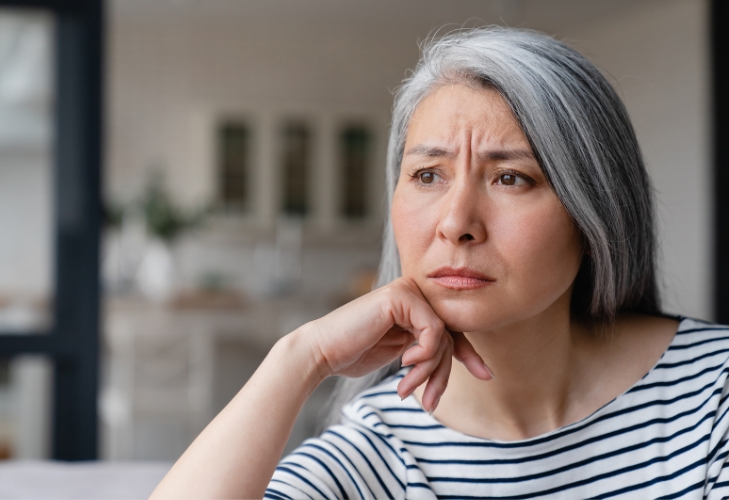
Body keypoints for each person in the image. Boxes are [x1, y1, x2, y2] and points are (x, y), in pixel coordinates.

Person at [151, 27, 729, 499]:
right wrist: (300, 357)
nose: (456, 222)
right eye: (428, 175)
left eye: (511, 177)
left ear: (592, 209)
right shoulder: (383, 446)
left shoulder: (714, 398)